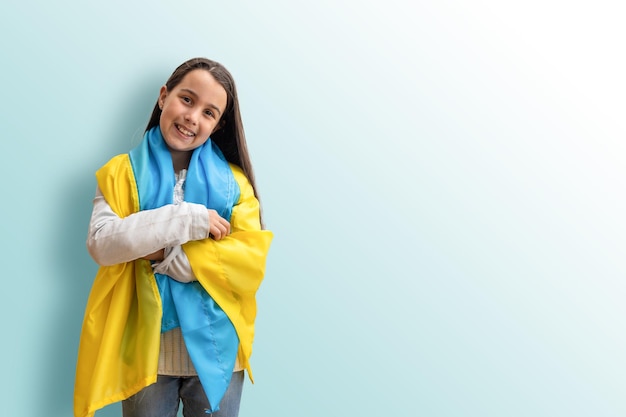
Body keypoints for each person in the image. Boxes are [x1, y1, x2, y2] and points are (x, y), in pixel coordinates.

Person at [74, 57, 273, 417]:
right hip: (144, 351)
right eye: (187, 99)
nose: (193, 117)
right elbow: (103, 244)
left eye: (209, 112)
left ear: (218, 124)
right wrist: (190, 219)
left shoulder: (236, 184)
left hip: (220, 351)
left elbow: (247, 262)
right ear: (164, 96)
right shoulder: (121, 173)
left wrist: (153, 253)